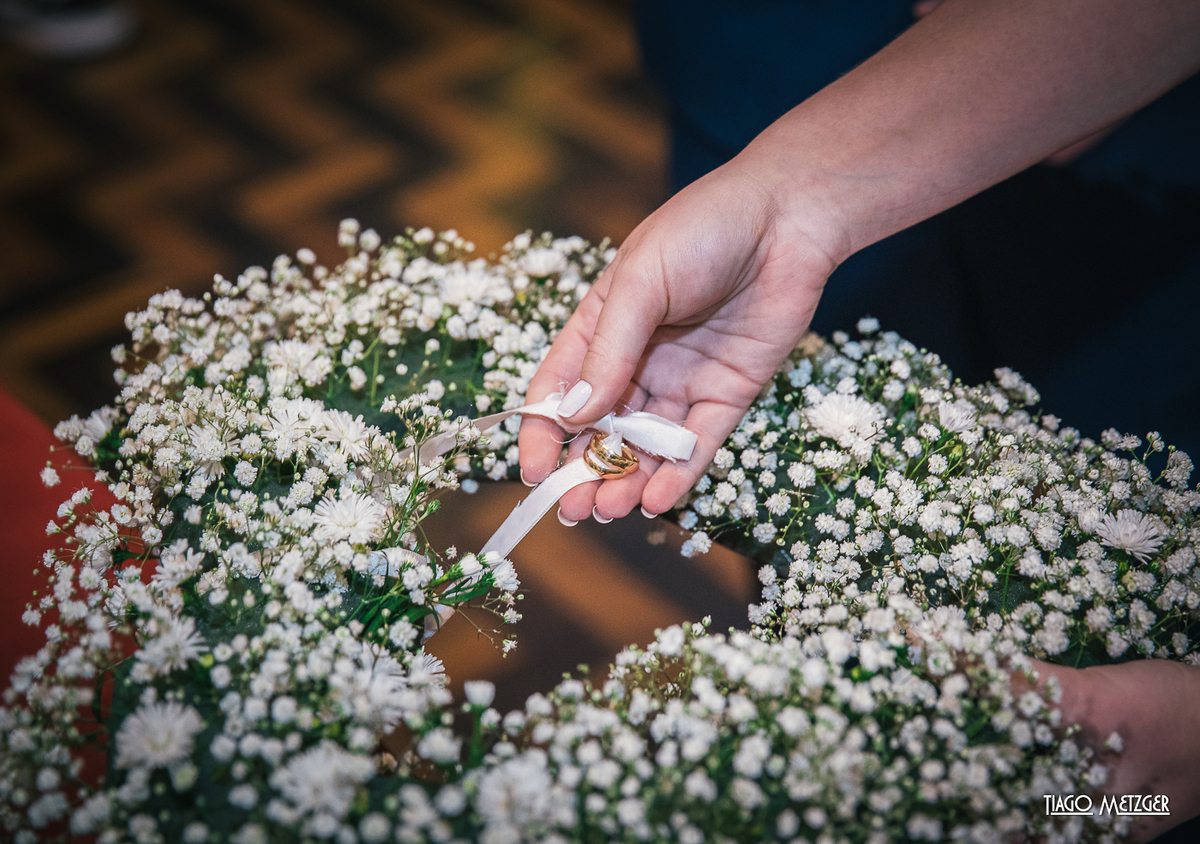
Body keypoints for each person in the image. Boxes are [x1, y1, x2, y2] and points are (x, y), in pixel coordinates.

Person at [517, 1, 1200, 839]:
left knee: (1107, 750)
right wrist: (781, 210)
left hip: (1135, 198)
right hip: (769, 89)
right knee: (823, 626)